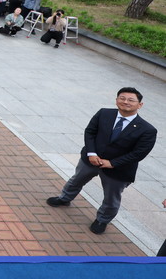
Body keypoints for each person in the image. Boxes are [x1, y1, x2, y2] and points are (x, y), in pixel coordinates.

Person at [46, 87, 157, 235]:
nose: (125, 102)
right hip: (91, 160)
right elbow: (90, 132)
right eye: (122, 98)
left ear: (140, 105)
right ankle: (64, 198)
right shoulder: (104, 113)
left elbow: (139, 153)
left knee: (111, 197)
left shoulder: (147, 129)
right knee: (76, 180)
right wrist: (91, 153)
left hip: (118, 169)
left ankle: (102, 220)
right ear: (116, 100)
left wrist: (112, 163)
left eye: (131, 100)